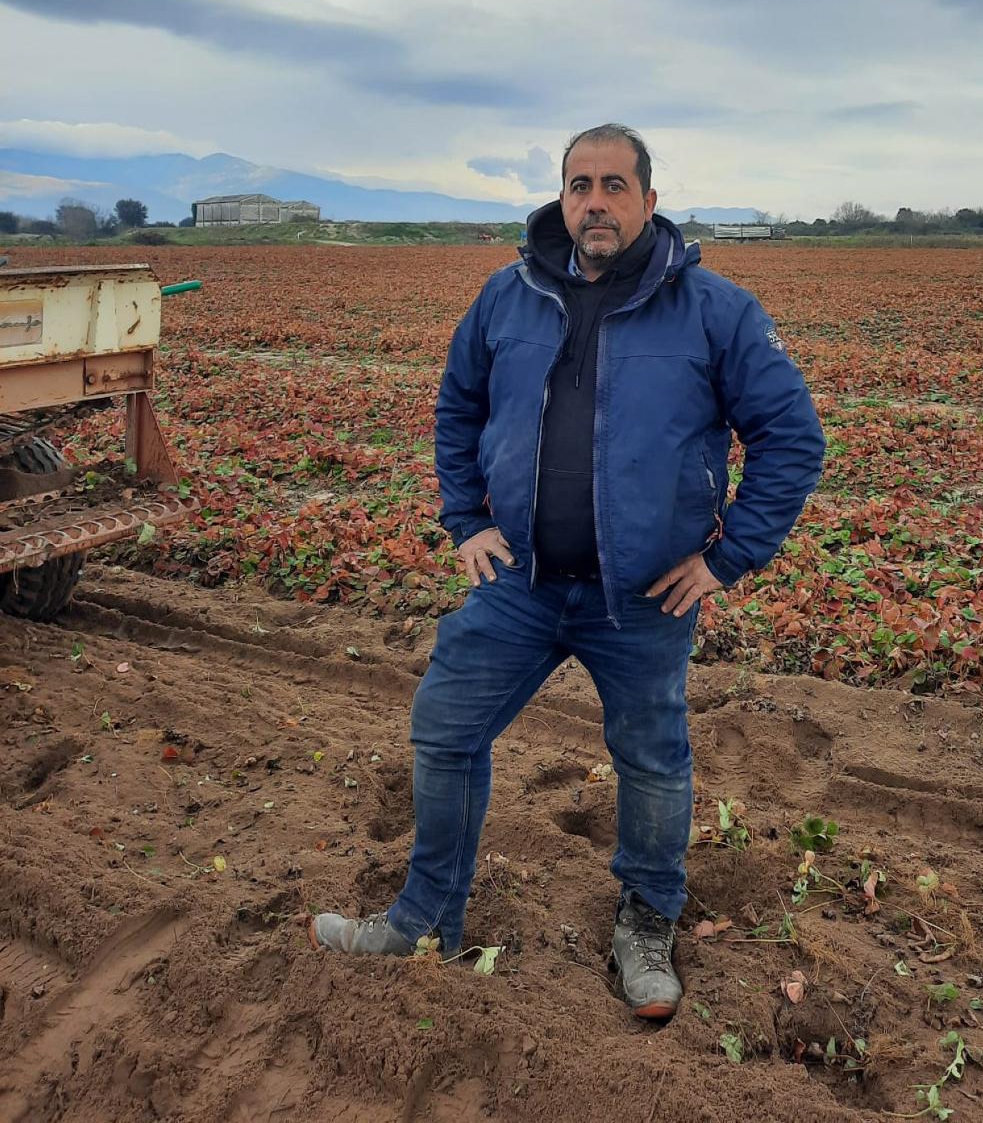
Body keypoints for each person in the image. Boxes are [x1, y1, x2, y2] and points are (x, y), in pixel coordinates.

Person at [311, 124, 825, 1019]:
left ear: (650, 202)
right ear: (560, 196)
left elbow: (792, 438)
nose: (595, 202)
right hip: (521, 584)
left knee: (652, 760)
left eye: (614, 186)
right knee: (445, 729)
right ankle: (426, 919)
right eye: (579, 185)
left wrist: (727, 557)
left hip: (644, 596)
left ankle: (647, 924)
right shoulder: (506, 298)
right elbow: (456, 407)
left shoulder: (716, 310)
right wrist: (466, 517)